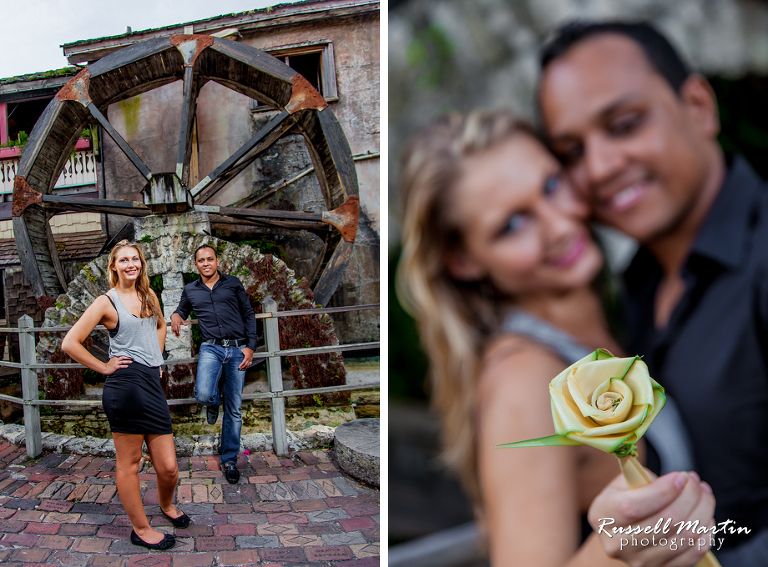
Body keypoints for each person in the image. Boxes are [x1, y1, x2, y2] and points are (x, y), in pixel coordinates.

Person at [397, 109, 715, 567]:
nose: (561, 225)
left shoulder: (619, 310)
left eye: (551, 185)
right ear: (464, 259)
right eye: (512, 224)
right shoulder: (525, 382)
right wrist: (620, 553)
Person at [539, 20, 768, 565]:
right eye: (571, 151)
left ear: (698, 106)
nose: (598, 167)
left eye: (623, 124)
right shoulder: (633, 285)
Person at [62, 240, 189, 551]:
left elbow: (160, 326)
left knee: (169, 467)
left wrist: (156, 358)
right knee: (129, 463)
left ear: (141, 264)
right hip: (125, 386)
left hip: (152, 383)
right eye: (124, 260)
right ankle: (141, 529)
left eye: (136, 259)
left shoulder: (149, 295)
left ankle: (166, 505)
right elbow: (70, 342)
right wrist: (104, 367)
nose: (131, 264)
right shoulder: (107, 302)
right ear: (114, 267)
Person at [171, 244, 258, 484]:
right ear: (196, 265)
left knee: (234, 408)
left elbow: (248, 314)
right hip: (210, 347)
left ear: (217, 261)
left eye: (210, 259)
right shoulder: (190, 289)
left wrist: (250, 346)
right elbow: (181, 311)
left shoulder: (233, 283)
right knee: (203, 394)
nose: (206, 263)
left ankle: (229, 460)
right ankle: (212, 402)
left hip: (238, 348)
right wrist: (175, 316)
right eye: (201, 260)